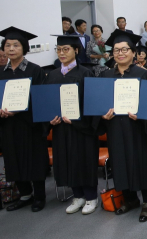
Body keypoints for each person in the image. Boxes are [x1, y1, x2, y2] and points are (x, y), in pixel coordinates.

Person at [99, 30, 147, 222]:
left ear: (133, 53)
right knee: (119, 162)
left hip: (137, 128)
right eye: (116, 50)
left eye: (124, 49)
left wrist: (142, 115)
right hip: (115, 127)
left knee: (141, 161)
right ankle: (130, 199)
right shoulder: (105, 76)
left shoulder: (144, 75)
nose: (120, 53)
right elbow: (100, 104)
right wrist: (103, 116)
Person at [47, 35, 100, 215]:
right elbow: (48, 103)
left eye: (66, 49)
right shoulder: (52, 75)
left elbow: (91, 102)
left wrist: (79, 120)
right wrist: (50, 118)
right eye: (59, 49)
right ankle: (78, 196)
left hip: (81, 129)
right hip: (61, 128)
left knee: (83, 160)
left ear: (76, 51)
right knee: (67, 160)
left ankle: (91, 197)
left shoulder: (85, 73)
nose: (61, 53)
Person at [0, 26, 48, 212]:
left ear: (24, 48)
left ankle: (40, 196)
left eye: (16, 45)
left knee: (34, 159)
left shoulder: (35, 70)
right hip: (8, 125)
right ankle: (25, 194)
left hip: (29, 124)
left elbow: (40, 99)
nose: (11, 49)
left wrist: (19, 110)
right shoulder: (1, 72)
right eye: (8, 45)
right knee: (13, 159)